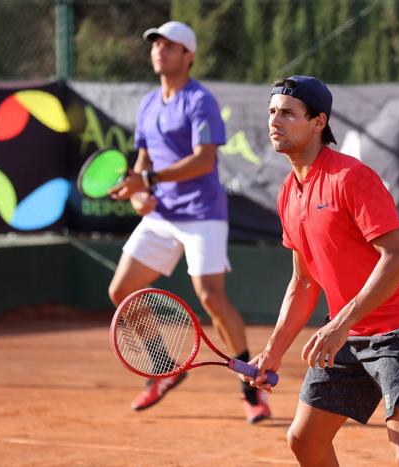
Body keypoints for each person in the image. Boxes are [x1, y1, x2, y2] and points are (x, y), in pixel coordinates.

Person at [243, 75, 399, 466]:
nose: (274, 122)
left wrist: (339, 326)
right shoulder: (288, 192)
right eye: (271, 112)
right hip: (347, 336)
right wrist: (273, 351)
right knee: (304, 439)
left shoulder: (351, 178)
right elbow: (302, 281)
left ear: (318, 122)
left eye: (287, 113)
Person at [107, 20, 271, 424]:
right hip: (162, 213)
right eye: (155, 44)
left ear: (188, 55)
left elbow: (204, 159)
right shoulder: (148, 104)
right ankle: (166, 367)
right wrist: (139, 195)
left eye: (169, 45)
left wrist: (148, 181)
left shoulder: (201, 101)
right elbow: (143, 163)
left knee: (211, 297)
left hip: (202, 212)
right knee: (122, 291)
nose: (159, 50)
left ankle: (250, 388)